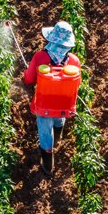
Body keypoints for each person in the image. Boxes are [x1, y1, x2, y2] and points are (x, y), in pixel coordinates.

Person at [22, 20, 82, 175]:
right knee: (59, 117)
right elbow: (77, 83)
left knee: (44, 131)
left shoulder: (41, 57)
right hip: (64, 105)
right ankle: (58, 138)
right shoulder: (74, 61)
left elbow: (29, 79)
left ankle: (48, 165)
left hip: (44, 105)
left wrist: (28, 74)